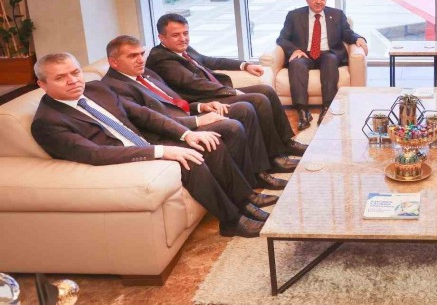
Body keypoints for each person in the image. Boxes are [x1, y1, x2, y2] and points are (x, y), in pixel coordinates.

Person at [30, 53, 269, 238]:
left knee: (209, 142)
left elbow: (143, 114)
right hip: (120, 162)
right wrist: (161, 152)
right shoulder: (47, 122)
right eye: (61, 78)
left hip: (144, 142)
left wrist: (186, 134)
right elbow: (95, 153)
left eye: (75, 72)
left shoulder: (95, 89)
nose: (73, 81)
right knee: (190, 161)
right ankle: (231, 221)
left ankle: (244, 202)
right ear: (43, 84)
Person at [102, 35, 294, 193]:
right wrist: (197, 119)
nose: (140, 59)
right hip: (175, 127)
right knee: (239, 117)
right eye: (133, 56)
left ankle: (278, 152)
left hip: (192, 109)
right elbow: (153, 118)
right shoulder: (116, 87)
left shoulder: (146, 73)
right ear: (114, 62)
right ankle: (255, 178)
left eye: (141, 54)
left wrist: (201, 107)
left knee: (259, 97)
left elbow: (173, 99)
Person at [145, 13, 306, 158]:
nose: (183, 38)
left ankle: (286, 143)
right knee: (258, 100)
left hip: (214, 92)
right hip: (201, 100)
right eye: (176, 35)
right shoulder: (161, 58)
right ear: (162, 38)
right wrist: (232, 92)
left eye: (185, 33)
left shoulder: (180, 48)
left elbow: (209, 60)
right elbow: (194, 84)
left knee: (267, 91)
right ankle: (274, 156)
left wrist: (244, 65)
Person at [276, 0, 368, 130]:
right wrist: (294, 50)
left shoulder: (337, 14)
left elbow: (347, 32)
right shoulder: (294, 15)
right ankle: (302, 111)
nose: (318, 2)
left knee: (330, 60)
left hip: (327, 52)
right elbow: (282, 39)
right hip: (304, 53)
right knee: (296, 64)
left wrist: (358, 38)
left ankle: (327, 107)